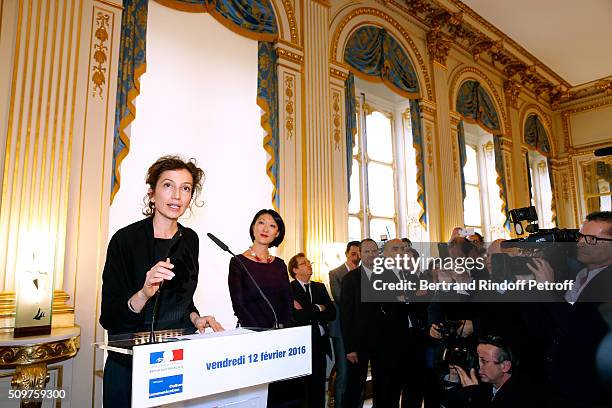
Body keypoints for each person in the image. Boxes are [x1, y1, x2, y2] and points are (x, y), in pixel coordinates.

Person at [99, 155, 224, 406]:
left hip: (176, 361)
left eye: (186, 188)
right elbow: (109, 316)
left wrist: (195, 318)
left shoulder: (190, 240)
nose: (177, 195)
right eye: (168, 185)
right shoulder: (125, 240)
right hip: (130, 364)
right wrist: (144, 293)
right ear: (152, 193)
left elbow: (181, 300)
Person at [524, 211, 612, 407]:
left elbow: (583, 331)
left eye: (591, 238)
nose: (580, 242)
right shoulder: (576, 275)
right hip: (558, 386)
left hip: (591, 392)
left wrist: (548, 290)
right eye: (580, 236)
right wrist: (529, 289)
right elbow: (544, 329)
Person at [227, 209, 294, 407]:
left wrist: (281, 331)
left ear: (278, 234)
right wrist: (262, 336)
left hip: (280, 341)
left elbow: (287, 302)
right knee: (255, 396)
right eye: (261, 222)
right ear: (253, 227)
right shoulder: (238, 262)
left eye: (272, 225)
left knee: (279, 396)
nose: (265, 228)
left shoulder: (280, 265)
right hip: (253, 339)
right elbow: (239, 305)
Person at [289, 253, 336, 408]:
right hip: (301, 345)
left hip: (320, 343)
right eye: (304, 263)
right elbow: (296, 316)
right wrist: (318, 307)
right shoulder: (290, 289)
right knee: (303, 387)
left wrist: (310, 310)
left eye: (309, 262)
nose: (309, 265)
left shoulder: (319, 287)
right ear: (295, 270)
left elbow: (331, 312)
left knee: (318, 384)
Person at [449, 336, 535, 408]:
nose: (478, 366)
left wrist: (473, 396)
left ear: (505, 366)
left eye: (484, 361)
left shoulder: (524, 397)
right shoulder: (485, 387)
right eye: (476, 359)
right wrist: (453, 378)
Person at [328, 241, 360, 408]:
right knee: (344, 373)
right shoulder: (335, 273)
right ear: (347, 254)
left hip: (361, 330)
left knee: (358, 374)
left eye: (358, 254)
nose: (356, 257)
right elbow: (341, 299)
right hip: (341, 330)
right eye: (353, 254)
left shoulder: (366, 274)